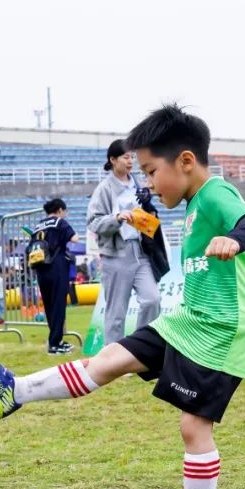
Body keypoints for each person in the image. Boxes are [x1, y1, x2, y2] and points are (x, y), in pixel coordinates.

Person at [0, 105, 245, 489]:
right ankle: (12, 392)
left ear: (185, 161)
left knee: (194, 428)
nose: (147, 183)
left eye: (151, 171)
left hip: (222, 331)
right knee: (108, 358)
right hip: (186, 322)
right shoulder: (190, 206)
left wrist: (235, 241)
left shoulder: (214, 193)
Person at [87, 139, 162, 345]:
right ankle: (112, 358)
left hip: (141, 252)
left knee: (152, 300)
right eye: (126, 157)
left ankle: (140, 349)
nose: (130, 161)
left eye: (132, 157)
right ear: (113, 160)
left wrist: (148, 205)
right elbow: (93, 222)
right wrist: (117, 218)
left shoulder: (139, 183)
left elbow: (150, 214)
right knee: (116, 311)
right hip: (116, 256)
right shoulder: (104, 189)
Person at [30, 198, 79, 354]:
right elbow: (74, 238)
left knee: (50, 306)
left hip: (41, 268)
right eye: (64, 212)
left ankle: (55, 339)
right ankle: (55, 344)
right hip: (56, 266)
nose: (65, 214)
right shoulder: (59, 222)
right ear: (59, 210)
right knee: (58, 305)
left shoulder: (38, 226)